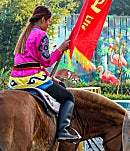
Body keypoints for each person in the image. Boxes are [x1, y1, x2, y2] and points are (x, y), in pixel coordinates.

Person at [9, 5, 81, 141]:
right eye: (48, 21)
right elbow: (46, 61)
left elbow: (31, 63)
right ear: (43, 19)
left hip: (15, 81)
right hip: (32, 79)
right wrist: (60, 49)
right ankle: (62, 131)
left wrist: (50, 78)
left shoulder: (24, 35)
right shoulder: (41, 35)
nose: (48, 24)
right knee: (68, 98)